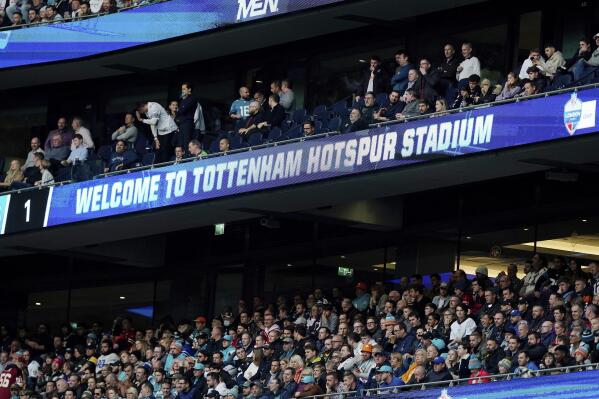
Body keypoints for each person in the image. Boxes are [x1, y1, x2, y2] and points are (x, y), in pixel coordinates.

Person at [175, 82, 198, 148]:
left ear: (189, 89)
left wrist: (178, 110)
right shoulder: (183, 99)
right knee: (180, 144)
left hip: (187, 123)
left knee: (186, 144)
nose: (182, 91)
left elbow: (182, 110)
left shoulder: (192, 98)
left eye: (184, 89)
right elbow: (179, 111)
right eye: (182, 89)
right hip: (182, 124)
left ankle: (188, 157)